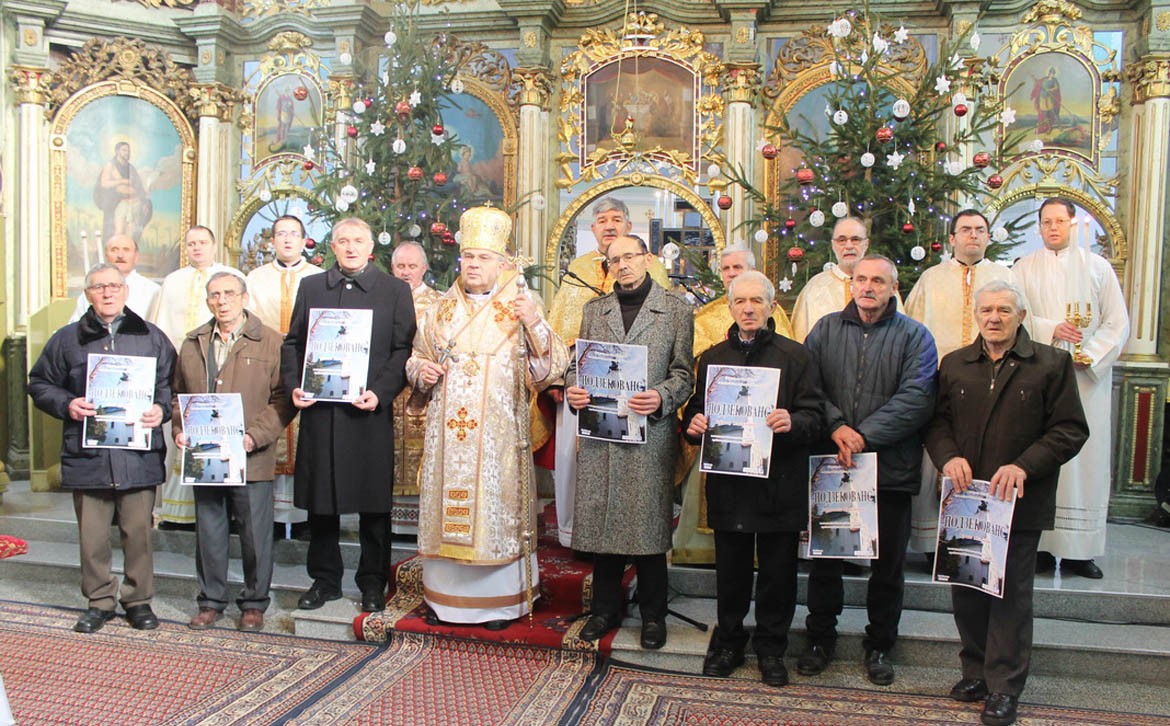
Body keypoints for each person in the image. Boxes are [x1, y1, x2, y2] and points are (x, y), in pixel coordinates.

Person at [925, 280, 1088, 726]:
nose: (993, 318)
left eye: (1003, 310)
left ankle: (1004, 687)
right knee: (968, 588)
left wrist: (1024, 466)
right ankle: (975, 672)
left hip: (1018, 499)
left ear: (1021, 317)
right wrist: (948, 457)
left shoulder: (1051, 364)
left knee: (1010, 596)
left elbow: (1070, 429)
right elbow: (936, 422)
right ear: (976, 315)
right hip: (966, 500)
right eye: (986, 310)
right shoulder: (956, 364)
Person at [407, 206, 568, 628]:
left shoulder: (520, 305)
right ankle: (444, 601)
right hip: (448, 437)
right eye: (468, 257)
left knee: (494, 516)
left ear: (501, 263)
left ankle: (500, 604)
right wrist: (421, 372)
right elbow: (417, 357)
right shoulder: (439, 309)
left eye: (483, 258)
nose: (474, 264)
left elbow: (549, 370)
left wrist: (534, 323)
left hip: (497, 438)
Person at [798, 254, 937, 685]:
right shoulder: (825, 330)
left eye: (878, 280)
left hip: (889, 467)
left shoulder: (915, 336)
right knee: (827, 560)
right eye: (861, 279)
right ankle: (820, 638)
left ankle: (880, 645)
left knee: (887, 565)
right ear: (852, 283)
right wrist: (837, 427)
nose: (868, 287)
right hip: (834, 464)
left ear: (893, 287)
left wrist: (863, 436)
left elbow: (917, 398)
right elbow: (808, 387)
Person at [681, 271, 823, 687]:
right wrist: (694, 424)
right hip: (731, 483)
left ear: (771, 306)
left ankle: (771, 649)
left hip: (779, 482)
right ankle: (728, 644)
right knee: (731, 573)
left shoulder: (796, 357)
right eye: (740, 301)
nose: (748, 309)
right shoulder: (713, 358)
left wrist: (793, 421)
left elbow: (815, 416)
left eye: (756, 301)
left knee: (778, 575)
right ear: (729, 307)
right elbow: (695, 411)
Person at [28, 262, 175, 633]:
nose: (107, 293)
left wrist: (162, 409)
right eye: (98, 287)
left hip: (137, 455)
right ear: (88, 294)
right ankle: (99, 601)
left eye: (114, 286)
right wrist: (67, 404)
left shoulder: (152, 337)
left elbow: (171, 386)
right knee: (92, 537)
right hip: (88, 455)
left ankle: (138, 600)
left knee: (138, 534)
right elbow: (40, 383)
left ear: (126, 290)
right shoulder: (67, 339)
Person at [281, 217, 416, 612]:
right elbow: (293, 344)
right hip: (321, 412)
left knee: (374, 504)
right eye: (343, 241)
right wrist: (295, 385)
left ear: (371, 247)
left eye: (358, 241)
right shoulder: (312, 287)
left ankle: (373, 582)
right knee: (321, 501)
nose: (351, 247)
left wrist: (381, 392)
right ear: (333, 247)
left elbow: (403, 349)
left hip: (368, 411)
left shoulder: (394, 290)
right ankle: (325, 581)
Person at [566, 234, 694, 650]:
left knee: (648, 528)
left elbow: (684, 374)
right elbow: (577, 366)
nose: (622, 265)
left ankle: (653, 615)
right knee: (604, 523)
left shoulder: (675, 309)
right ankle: (604, 610)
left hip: (648, 434)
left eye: (630, 257)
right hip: (602, 432)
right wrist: (573, 388)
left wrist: (661, 396)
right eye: (614, 259)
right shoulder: (595, 310)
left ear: (647, 259)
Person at [1012, 198, 1129, 579]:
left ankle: (1081, 551)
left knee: (1084, 461)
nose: (1052, 228)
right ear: (1039, 227)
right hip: (1039, 374)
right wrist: (1050, 329)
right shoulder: (1023, 267)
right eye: (1046, 222)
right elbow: (1015, 315)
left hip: (1085, 379)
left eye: (1059, 221)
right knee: (1041, 452)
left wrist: (1091, 354)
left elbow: (1117, 321)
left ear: (1073, 224)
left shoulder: (1098, 267)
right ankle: (1041, 548)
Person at [544, 197, 671, 548]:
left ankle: (629, 537)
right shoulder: (578, 269)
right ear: (593, 229)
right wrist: (560, 380)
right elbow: (561, 328)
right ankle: (576, 534)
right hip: (583, 386)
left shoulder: (652, 268)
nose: (609, 225)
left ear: (629, 226)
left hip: (636, 387)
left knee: (632, 468)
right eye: (602, 220)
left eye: (616, 218)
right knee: (574, 460)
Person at [173, 271, 295, 632]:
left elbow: (284, 399)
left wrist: (255, 436)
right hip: (206, 455)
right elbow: (178, 396)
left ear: (244, 298)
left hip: (250, 453)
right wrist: (180, 430)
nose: (221, 300)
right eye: (214, 295)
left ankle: (254, 603)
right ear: (207, 301)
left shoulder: (271, 342)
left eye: (229, 293)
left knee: (255, 535)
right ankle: (210, 601)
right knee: (210, 531)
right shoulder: (192, 342)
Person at [904, 210, 1022, 562]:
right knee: (936, 458)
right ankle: (932, 541)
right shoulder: (931, 278)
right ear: (952, 238)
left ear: (988, 237)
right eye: (965, 229)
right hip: (940, 380)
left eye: (980, 229)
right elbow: (912, 329)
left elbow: (1023, 320)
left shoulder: (1005, 277)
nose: (973, 235)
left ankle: (983, 535)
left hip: (994, 380)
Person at [674, 245, 794, 565]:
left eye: (738, 267)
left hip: (768, 444)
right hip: (721, 437)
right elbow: (693, 373)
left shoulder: (778, 324)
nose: (731, 273)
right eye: (726, 268)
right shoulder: (707, 316)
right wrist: (694, 419)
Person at [245, 215, 323, 534]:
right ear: (272, 241)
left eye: (293, 234)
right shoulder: (255, 278)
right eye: (281, 234)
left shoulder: (318, 277)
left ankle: (306, 519)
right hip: (267, 363)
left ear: (304, 240)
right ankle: (271, 520)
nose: (287, 239)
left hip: (307, 364)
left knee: (308, 436)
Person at [149, 225, 231, 526]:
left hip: (220, 366)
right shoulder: (172, 281)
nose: (197, 248)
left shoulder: (229, 276)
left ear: (214, 245)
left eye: (202, 242)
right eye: (191, 243)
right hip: (180, 367)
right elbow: (160, 326)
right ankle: (177, 512)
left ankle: (218, 511)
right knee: (178, 435)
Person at [389, 241, 443, 535]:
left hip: (423, 391)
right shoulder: (382, 298)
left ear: (424, 268)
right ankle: (391, 524)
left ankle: (421, 526)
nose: (406, 272)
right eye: (401, 266)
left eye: (412, 266)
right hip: (388, 392)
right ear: (392, 268)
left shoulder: (439, 303)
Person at [790, 217, 903, 342]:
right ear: (833, 245)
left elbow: (900, 334)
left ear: (866, 244)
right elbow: (800, 340)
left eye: (855, 240)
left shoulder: (884, 285)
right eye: (842, 240)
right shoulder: (815, 288)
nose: (849, 246)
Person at [70, 235, 160, 322]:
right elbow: (76, 325)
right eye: (114, 250)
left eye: (126, 250)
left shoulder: (153, 291)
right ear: (106, 256)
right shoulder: (93, 290)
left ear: (136, 257)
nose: (120, 255)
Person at [94, 141, 150, 242]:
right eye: (124, 150)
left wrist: (144, 202)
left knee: (130, 233)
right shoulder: (111, 165)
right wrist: (122, 181)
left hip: (133, 203)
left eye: (128, 150)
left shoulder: (130, 168)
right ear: (117, 151)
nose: (127, 153)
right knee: (117, 232)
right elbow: (104, 183)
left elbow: (139, 186)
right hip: (117, 203)